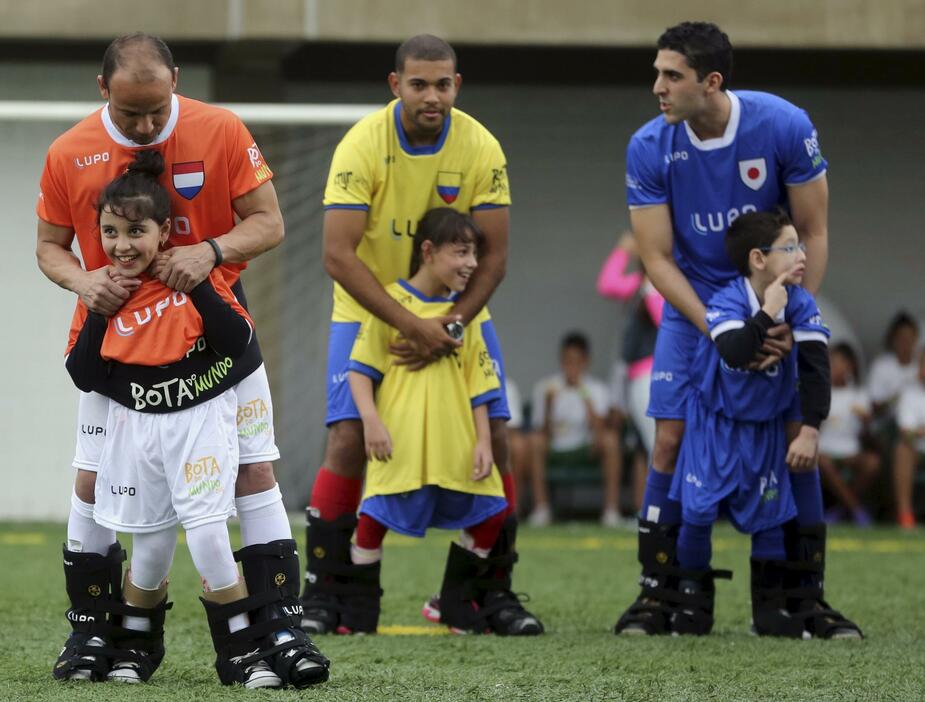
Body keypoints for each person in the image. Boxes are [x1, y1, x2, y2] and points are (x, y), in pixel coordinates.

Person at [36, 33, 301, 677]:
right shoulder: (67, 152)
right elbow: (49, 246)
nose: (148, 125)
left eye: (159, 108)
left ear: (176, 79)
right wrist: (83, 281)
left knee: (253, 476)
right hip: (115, 354)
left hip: (218, 341)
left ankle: (279, 635)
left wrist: (209, 251)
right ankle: (95, 635)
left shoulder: (222, 130)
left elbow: (269, 222)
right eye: (131, 114)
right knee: (94, 483)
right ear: (103, 91)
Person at [614, 21, 859, 637]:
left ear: (711, 82)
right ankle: (665, 596)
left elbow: (815, 233)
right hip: (692, 308)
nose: (658, 87)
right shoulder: (648, 146)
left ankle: (795, 602)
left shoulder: (783, 125)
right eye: (657, 72)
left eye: (672, 75)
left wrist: (782, 316)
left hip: (773, 301)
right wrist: (728, 330)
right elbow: (656, 259)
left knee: (788, 436)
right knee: (668, 437)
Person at [301, 34, 541, 635]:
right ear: (395, 86)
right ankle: (329, 596)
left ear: (457, 85)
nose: (431, 96)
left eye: (443, 84)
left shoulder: (480, 145)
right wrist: (413, 324)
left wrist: (451, 323)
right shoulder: (362, 144)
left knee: (500, 441)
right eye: (418, 84)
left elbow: (495, 258)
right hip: (369, 312)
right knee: (348, 438)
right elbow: (337, 254)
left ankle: (485, 595)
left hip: (458, 317)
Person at [61, 152, 329, 687]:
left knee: (208, 537)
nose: (122, 244)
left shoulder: (189, 277)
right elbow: (83, 372)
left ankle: (245, 650)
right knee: (152, 542)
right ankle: (133, 644)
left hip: (201, 419)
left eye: (136, 231)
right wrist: (97, 309)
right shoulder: (102, 291)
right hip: (138, 427)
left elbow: (237, 342)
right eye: (110, 232)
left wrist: (199, 285)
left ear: (165, 233)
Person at [345, 208, 539, 634]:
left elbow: (482, 382)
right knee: (373, 518)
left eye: (476, 253)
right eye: (462, 252)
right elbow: (360, 370)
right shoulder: (390, 303)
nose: (472, 263)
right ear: (428, 252)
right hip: (401, 438)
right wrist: (371, 421)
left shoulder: (471, 313)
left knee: (491, 511)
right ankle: (360, 613)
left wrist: (484, 440)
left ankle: (453, 602)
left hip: (458, 438)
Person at [668, 210, 860, 638]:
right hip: (714, 425)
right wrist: (767, 313)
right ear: (758, 259)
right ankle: (693, 603)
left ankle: (769, 613)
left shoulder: (803, 303)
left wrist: (810, 429)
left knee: (770, 517)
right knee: (697, 514)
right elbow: (735, 352)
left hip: (764, 426)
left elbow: (815, 369)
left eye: (800, 245)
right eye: (789, 247)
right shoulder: (726, 300)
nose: (801, 254)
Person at [526, 332, 624, 527]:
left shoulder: (597, 389)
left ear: (586, 361)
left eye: (577, 361)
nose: (572, 366)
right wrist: (548, 406)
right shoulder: (547, 388)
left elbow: (601, 431)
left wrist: (584, 395)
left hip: (586, 447)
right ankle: (541, 509)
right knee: (534, 441)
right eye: (567, 360)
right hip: (555, 448)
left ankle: (611, 511)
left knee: (611, 440)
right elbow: (542, 433)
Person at [598, 230, 664, 511]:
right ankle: (654, 510)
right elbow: (607, 284)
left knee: (659, 446)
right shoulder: (638, 284)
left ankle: (661, 509)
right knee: (650, 445)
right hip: (638, 377)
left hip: (659, 375)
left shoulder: (664, 288)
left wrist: (652, 289)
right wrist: (623, 250)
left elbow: (664, 321)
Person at [817, 343, 880, 527]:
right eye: (830, 362)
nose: (833, 367)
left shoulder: (859, 394)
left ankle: (842, 509)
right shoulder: (820, 392)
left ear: (850, 366)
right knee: (823, 462)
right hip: (824, 450)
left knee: (872, 463)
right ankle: (856, 510)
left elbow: (868, 433)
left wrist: (866, 421)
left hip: (851, 450)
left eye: (838, 363)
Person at [893, 348, 925, 529]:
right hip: (917, 450)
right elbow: (907, 432)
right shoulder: (910, 394)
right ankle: (905, 515)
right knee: (902, 449)